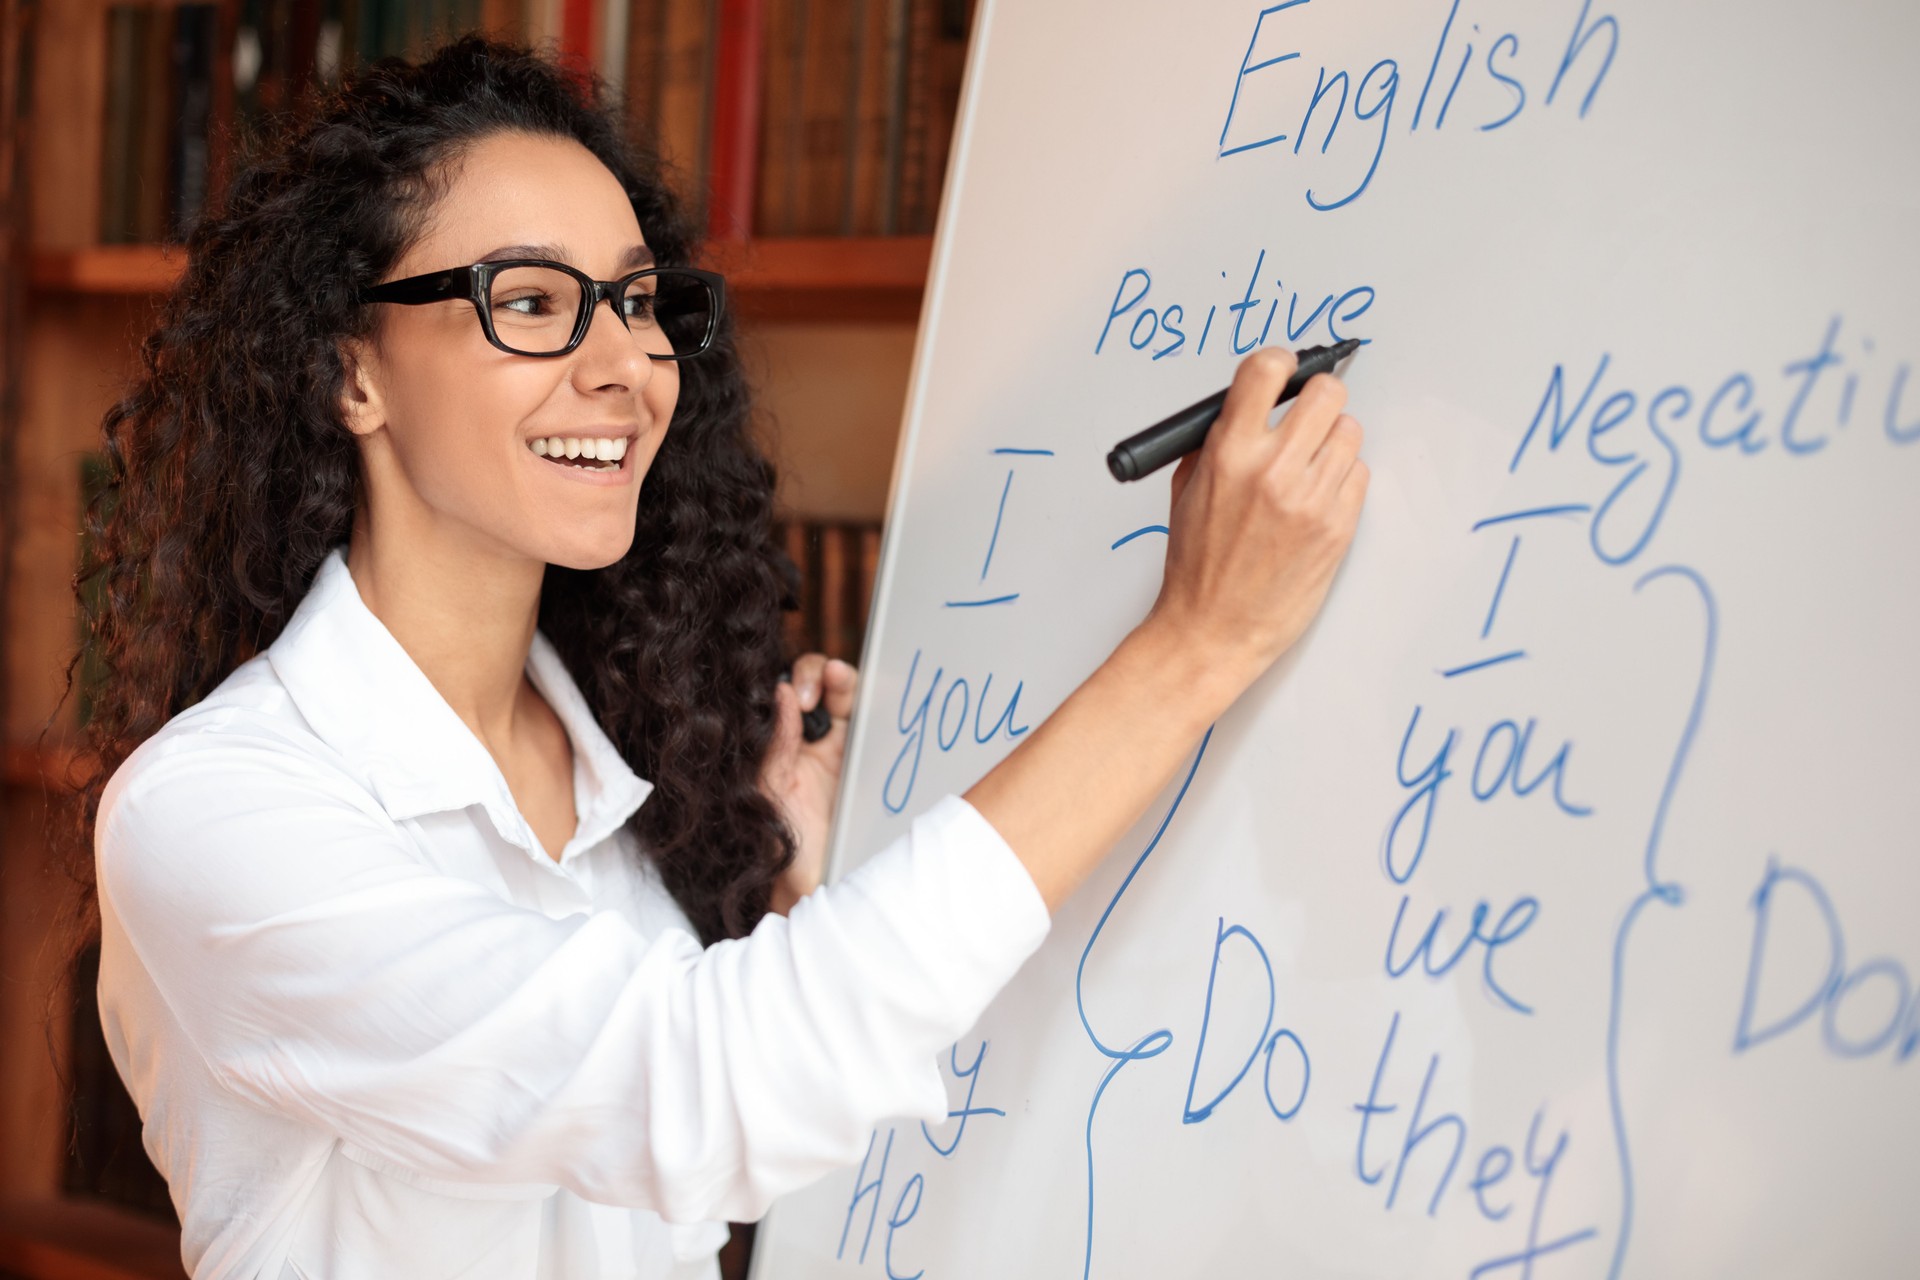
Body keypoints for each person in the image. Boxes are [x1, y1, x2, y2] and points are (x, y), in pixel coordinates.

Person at [56, 33, 1368, 1280]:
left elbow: (703, 1165)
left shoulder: (627, 783)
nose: (626, 362)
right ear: (352, 373)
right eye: (530, 302)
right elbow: (700, 1090)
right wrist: (1201, 641)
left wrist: (792, 900)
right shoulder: (216, 812)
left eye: (637, 302)